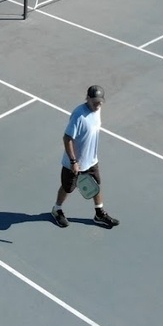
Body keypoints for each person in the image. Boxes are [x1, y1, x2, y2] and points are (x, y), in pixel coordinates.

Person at [52, 85, 118, 229]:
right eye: (95, 102)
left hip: (92, 160)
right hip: (74, 162)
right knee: (67, 188)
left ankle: (99, 213)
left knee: (96, 186)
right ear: (87, 98)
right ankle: (57, 209)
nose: (98, 104)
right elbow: (67, 138)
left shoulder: (98, 109)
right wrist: (73, 161)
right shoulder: (78, 115)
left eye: (100, 102)